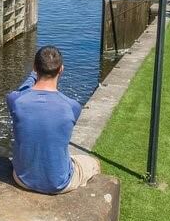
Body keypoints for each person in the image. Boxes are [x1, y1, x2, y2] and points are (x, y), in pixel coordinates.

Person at [7, 46, 100, 194]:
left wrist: (32, 77)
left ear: (35, 68)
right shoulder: (72, 106)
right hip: (59, 183)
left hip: (22, 179)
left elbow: (22, 92)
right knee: (93, 163)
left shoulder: (14, 100)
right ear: (61, 69)